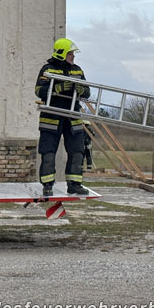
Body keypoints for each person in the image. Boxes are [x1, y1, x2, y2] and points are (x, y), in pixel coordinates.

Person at [34, 38, 91, 196]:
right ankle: (47, 186)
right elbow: (39, 90)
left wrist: (81, 90)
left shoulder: (77, 70)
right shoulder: (48, 69)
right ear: (62, 53)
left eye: (73, 53)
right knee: (48, 152)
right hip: (51, 117)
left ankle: (75, 185)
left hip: (72, 117)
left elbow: (87, 92)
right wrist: (57, 88)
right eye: (70, 53)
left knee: (77, 151)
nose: (73, 56)